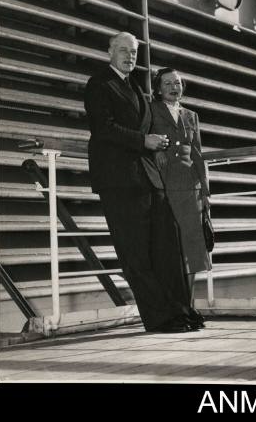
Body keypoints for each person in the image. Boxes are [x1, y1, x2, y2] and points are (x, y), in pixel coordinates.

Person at [84, 32, 198, 333]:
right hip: (119, 181)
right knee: (135, 254)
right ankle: (160, 318)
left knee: (167, 248)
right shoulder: (99, 84)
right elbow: (103, 128)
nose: (129, 56)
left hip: (148, 178)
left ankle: (181, 311)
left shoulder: (135, 86)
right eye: (123, 50)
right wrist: (143, 140)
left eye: (133, 52)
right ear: (110, 52)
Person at [150, 68, 212, 328]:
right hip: (164, 184)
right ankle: (175, 308)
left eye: (177, 82)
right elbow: (146, 142)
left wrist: (206, 190)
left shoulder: (191, 116)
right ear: (158, 88)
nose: (174, 87)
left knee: (194, 249)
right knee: (172, 250)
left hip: (191, 187)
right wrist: (156, 155)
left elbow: (197, 153)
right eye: (167, 83)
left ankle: (189, 306)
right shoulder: (151, 109)